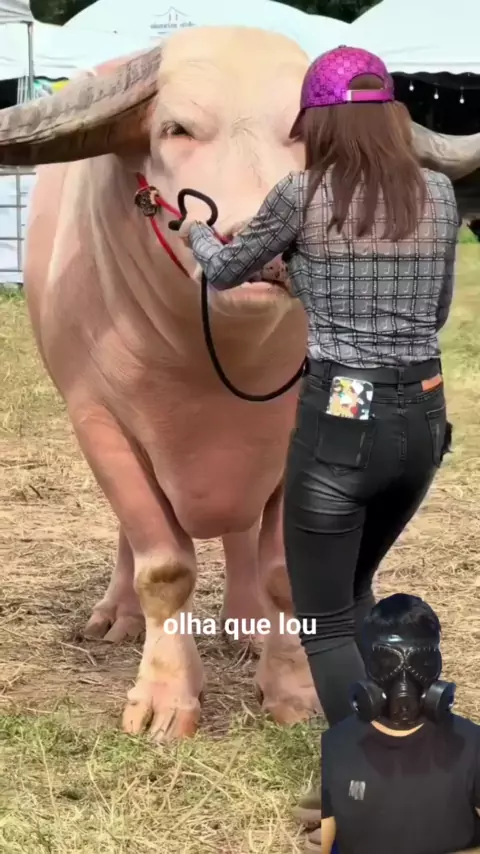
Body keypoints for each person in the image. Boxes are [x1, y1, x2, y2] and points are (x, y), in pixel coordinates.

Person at [178, 43, 459, 805]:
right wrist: (309, 277)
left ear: (318, 124)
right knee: (356, 588)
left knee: (324, 617)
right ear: (394, 117)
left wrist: (192, 228)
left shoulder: (301, 194)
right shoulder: (437, 194)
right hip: (423, 414)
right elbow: (430, 312)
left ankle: (382, 781)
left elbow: (224, 269)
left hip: (345, 416)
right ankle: (409, 752)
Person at [314, 593, 480, 854]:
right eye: (386, 663)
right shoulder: (336, 745)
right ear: (368, 664)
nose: (404, 681)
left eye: (421, 663)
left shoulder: (472, 744)